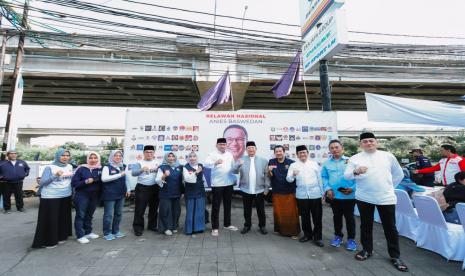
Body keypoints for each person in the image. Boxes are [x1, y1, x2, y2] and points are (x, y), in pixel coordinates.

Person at [343, 132, 408, 272]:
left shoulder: (388, 156)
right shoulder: (355, 158)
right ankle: (367, 250)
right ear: (361, 144)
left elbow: (399, 174)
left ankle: (395, 256)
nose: (369, 143)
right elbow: (347, 176)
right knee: (366, 225)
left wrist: (389, 187)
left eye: (371, 140)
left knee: (390, 227)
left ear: (376, 142)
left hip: (386, 198)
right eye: (365, 141)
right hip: (364, 197)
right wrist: (356, 171)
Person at [32, 149, 73, 249]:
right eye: (63, 155)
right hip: (51, 197)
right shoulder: (49, 167)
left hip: (65, 195)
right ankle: (49, 241)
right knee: (51, 219)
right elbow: (42, 183)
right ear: (58, 156)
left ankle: (61, 236)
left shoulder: (70, 166)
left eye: (67, 155)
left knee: (62, 218)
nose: (65, 157)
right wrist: (55, 175)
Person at [322, 140, 357, 251]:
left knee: (350, 218)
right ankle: (338, 236)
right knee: (336, 217)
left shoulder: (351, 161)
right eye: (332, 148)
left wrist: (353, 188)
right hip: (334, 196)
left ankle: (351, 239)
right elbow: (324, 177)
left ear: (342, 148)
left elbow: (359, 177)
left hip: (349, 196)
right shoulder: (327, 163)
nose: (334, 149)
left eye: (336, 147)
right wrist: (327, 189)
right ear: (329, 150)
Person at [286, 145, 324, 247]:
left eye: (304, 152)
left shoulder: (314, 164)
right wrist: (293, 175)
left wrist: (322, 193)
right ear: (297, 155)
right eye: (300, 153)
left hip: (315, 194)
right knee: (305, 217)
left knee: (317, 217)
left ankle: (318, 237)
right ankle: (307, 235)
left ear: (307, 153)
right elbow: (288, 179)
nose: (302, 154)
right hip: (301, 195)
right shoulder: (293, 165)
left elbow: (320, 179)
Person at [232, 141, 270, 235]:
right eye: (249, 148)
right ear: (246, 150)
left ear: (256, 149)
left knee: (261, 210)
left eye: (253, 148)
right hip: (246, 189)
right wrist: (238, 164)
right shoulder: (241, 159)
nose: (251, 149)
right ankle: (247, 225)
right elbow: (234, 171)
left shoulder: (263, 160)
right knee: (246, 210)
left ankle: (262, 226)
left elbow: (267, 176)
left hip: (259, 190)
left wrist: (266, 189)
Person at [204, 138, 238, 236]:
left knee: (228, 204)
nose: (222, 146)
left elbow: (232, 168)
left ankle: (227, 224)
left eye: (224, 144)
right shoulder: (212, 154)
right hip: (217, 184)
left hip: (229, 184)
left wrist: (234, 179)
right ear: (217, 145)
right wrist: (215, 162)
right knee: (216, 206)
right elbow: (206, 164)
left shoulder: (229, 155)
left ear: (226, 145)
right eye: (220, 144)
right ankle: (215, 227)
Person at [268, 145, 300, 239]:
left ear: (284, 152)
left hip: (289, 192)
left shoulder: (291, 163)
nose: (278, 153)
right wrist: (269, 171)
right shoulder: (272, 162)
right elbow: (270, 175)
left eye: (280, 151)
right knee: (279, 212)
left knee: (291, 213)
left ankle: (294, 232)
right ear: (274, 153)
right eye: (276, 151)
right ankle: (281, 230)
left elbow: (294, 177)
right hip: (277, 191)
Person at [71, 152, 102, 244]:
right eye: (91, 158)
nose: (93, 160)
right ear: (87, 159)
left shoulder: (100, 169)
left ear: (98, 159)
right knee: (80, 215)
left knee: (89, 215)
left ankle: (88, 232)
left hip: (94, 195)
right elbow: (74, 183)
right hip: (82, 195)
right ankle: (80, 235)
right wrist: (85, 181)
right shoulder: (81, 169)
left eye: (95, 158)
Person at [131, 145, 160, 236]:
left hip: (155, 188)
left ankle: (152, 226)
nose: (149, 154)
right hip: (142, 188)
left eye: (151, 152)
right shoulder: (139, 162)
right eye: (147, 152)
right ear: (144, 153)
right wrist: (141, 170)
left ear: (154, 153)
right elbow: (133, 173)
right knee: (140, 209)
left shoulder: (157, 163)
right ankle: (138, 228)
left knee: (154, 209)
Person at [101, 150, 130, 240]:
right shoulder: (107, 167)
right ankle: (106, 233)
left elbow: (126, 178)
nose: (118, 157)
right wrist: (119, 175)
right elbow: (104, 179)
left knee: (118, 213)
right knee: (108, 215)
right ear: (112, 157)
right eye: (116, 155)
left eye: (120, 156)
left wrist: (128, 189)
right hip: (109, 194)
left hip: (121, 193)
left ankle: (116, 231)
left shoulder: (123, 166)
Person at [156, 152, 183, 236]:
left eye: (172, 156)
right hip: (165, 193)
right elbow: (157, 180)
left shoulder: (180, 167)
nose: (171, 158)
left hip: (177, 193)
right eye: (169, 156)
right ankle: (166, 228)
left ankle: (174, 226)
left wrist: (182, 192)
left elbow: (182, 181)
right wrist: (164, 175)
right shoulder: (162, 167)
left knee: (176, 211)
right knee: (166, 211)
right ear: (166, 158)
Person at [183, 152, 207, 235]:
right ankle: (189, 229)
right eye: (190, 157)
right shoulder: (185, 167)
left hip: (200, 190)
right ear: (188, 158)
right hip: (190, 191)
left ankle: (199, 228)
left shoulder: (200, 165)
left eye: (194, 156)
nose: (192, 158)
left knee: (200, 210)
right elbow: (187, 179)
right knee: (190, 211)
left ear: (197, 158)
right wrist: (196, 172)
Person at [0, 149, 30, 213]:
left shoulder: (22, 162)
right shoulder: (2, 163)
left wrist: (25, 174)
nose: (13, 155)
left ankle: (20, 208)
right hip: (5, 182)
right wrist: (1, 177)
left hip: (18, 182)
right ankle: (7, 209)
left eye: (15, 153)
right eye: (11, 153)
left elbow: (27, 169)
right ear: (8, 155)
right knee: (6, 196)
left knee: (19, 195)